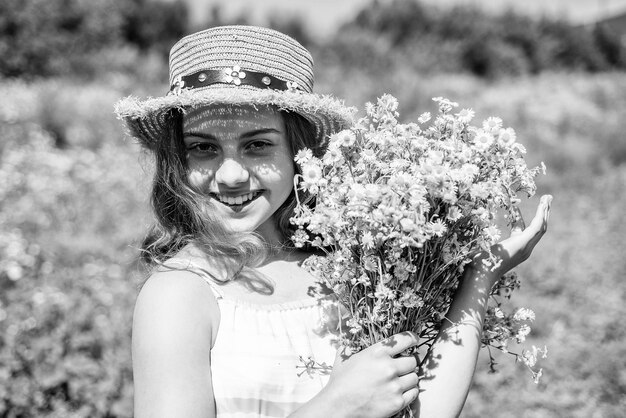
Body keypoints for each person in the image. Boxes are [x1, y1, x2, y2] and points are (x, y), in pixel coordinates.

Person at [115, 25, 552, 418]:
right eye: (203, 148)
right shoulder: (180, 294)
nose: (230, 174)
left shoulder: (354, 263)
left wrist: (480, 276)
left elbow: (420, 412)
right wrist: (336, 407)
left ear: (298, 151)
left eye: (257, 146)